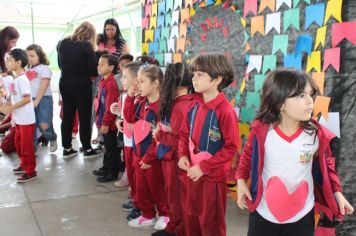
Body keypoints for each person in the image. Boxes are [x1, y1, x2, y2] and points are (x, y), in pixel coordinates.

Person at [236, 69, 354, 236]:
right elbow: (247, 155)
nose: (310, 101)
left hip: (302, 215)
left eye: (310, 94)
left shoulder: (315, 134)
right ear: (280, 102)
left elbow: (328, 165)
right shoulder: (262, 131)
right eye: (301, 96)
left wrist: (337, 192)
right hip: (263, 212)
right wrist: (240, 180)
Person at [178, 54, 239, 236]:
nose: (194, 79)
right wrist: (182, 155)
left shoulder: (225, 111)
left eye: (200, 75)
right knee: (191, 216)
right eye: (194, 74)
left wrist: (204, 167)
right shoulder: (193, 105)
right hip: (192, 174)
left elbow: (231, 147)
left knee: (211, 223)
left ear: (217, 79)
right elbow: (183, 134)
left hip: (212, 178)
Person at [124, 65, 170, 229]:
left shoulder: (163, 107)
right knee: (141, 186)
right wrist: (129, 97)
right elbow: (129, 118)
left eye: (142, 81)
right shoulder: (140, 102)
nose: (138, 85)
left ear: (156, 83)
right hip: (139, 154)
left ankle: (165, 214)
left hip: (154, 158)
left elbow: (161, 137)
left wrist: (149, 156)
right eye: (137, 81)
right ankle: (147, 214)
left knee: (157, 186)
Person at [152, 63, 194, 236]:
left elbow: (178, 141)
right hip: (180, 160)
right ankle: (175, 227)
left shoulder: (179, 106)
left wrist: (159, 135)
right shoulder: (190, 101)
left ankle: (177, 230)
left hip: (176, 161)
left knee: (176, 198)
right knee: (180, 198)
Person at [57, 21, 102, 159]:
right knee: (84, 117)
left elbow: (60, 64)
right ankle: (87, 149)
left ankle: (67, 148)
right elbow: (93, 70)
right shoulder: (86, 46)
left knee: (68, 116)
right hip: (82, 84)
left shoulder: (63, 43)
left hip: (65, 82)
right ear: (91, 35)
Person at [111, 62, 142, 219]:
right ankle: (135, 198)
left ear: (137, 80)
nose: (121, 80)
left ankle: (141, 203)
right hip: (127, 142)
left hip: (137, 144)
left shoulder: (141, 99)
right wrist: (117, 119)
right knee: (130, 171)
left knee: (138, 174)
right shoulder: (124, 95)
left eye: (124, 77)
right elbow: (123, 117)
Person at [0, 49, 36, 182]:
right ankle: (24, 164)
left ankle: (31, 171)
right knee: (19, 144)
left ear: (18, 62)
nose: (6, 62)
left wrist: (11, 108)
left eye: (9, 60)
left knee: (26, 146)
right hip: (18, 119)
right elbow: (13, 97)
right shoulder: (16, 79)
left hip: (26, 120)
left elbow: (27, 99)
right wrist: (7, 104)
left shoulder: (22, 80)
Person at [92, 54, 122, 182]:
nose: (99, 66)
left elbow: (111, 107)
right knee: (106, 146)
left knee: (111, 149)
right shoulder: (102, 81)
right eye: (98, 63)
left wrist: (105, 123)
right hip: (103, 121)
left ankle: (112, 172)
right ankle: (106, 167)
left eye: (102, 64)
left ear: (111, 67)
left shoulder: (111, 84)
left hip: (109, 124)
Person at [26, 44, 57, 152]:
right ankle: (32, 148)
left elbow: (44, 85)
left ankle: (52, 138)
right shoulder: (27, 69)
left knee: (44, 124)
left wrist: (37, 101)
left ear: (40, 55)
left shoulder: (45, 68)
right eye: (27, 56)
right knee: (32, 125)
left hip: (44, 99)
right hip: (29, 100)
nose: (29, 58)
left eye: (32, 56)